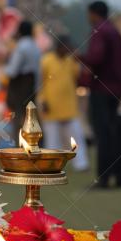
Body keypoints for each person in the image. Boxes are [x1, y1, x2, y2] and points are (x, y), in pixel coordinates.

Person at [81, 1, 121, 188]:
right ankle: (119, 177)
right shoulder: (113, 30)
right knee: (114, 133)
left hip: (101, 89)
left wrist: (78, 56)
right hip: (115, 89)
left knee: (103, 135)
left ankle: (104, 178)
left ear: (93, 13)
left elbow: (95, 58)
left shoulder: (100, 30)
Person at [38, 36, 89, 171]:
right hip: (51, 107)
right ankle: (51, 166)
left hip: (69, 107)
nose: (67, 50)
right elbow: (40, 83)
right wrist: (42, 100)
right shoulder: (46, 60)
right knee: (52, 141)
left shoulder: (71, 60)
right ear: (58, 47)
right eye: (64, 47)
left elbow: (80, 76)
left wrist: (77, 59)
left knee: (76, 137)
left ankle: (81, 164)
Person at [5, 20, 41, 137]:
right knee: (31, 117)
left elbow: (12, 71)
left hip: (20, 87)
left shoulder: (21, 47)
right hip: (32, 85)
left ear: (19, 32)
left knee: (18, 117)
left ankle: (19, 145)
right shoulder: (36, 47)